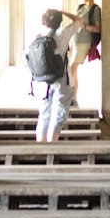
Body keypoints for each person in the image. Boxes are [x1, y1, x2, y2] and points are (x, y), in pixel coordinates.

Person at [29, 8, 79, 143]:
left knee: (44, 114)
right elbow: (79, 21)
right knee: (59, 113)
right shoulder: (62, 33)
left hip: (42, 81)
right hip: (61, 79)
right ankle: (52, 145)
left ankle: (41, 148)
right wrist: (64, 12)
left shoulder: (38, 35)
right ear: (59, 21)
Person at [68, 0, 102, 102]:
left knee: (72, 68)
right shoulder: (80, 7)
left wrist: (84, 26)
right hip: (74, 41)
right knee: (72, 70)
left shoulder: (96, 9)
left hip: (84, 42)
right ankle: (74, 98)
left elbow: (98, 28)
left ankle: (72, 99)